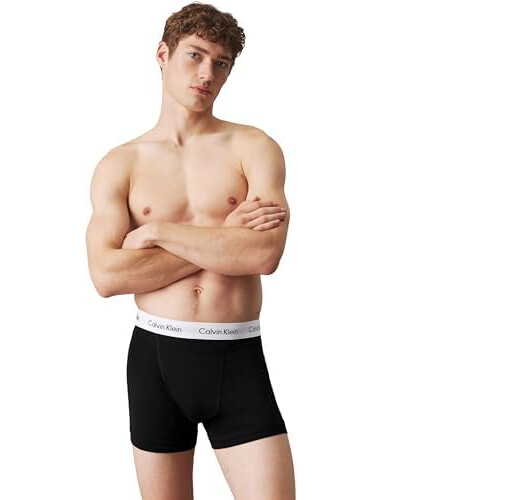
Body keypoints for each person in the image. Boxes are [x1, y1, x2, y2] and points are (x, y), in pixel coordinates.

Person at [86, 3, 295, 498]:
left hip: (237, 357)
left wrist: (156, 232)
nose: (207, 74)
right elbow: (107, 276)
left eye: (221, 63)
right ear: (163, 54)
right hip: (155, 359)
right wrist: (224, 236)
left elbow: (263, 255)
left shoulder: (253, 147)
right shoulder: (121, 164)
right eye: (195, 55)